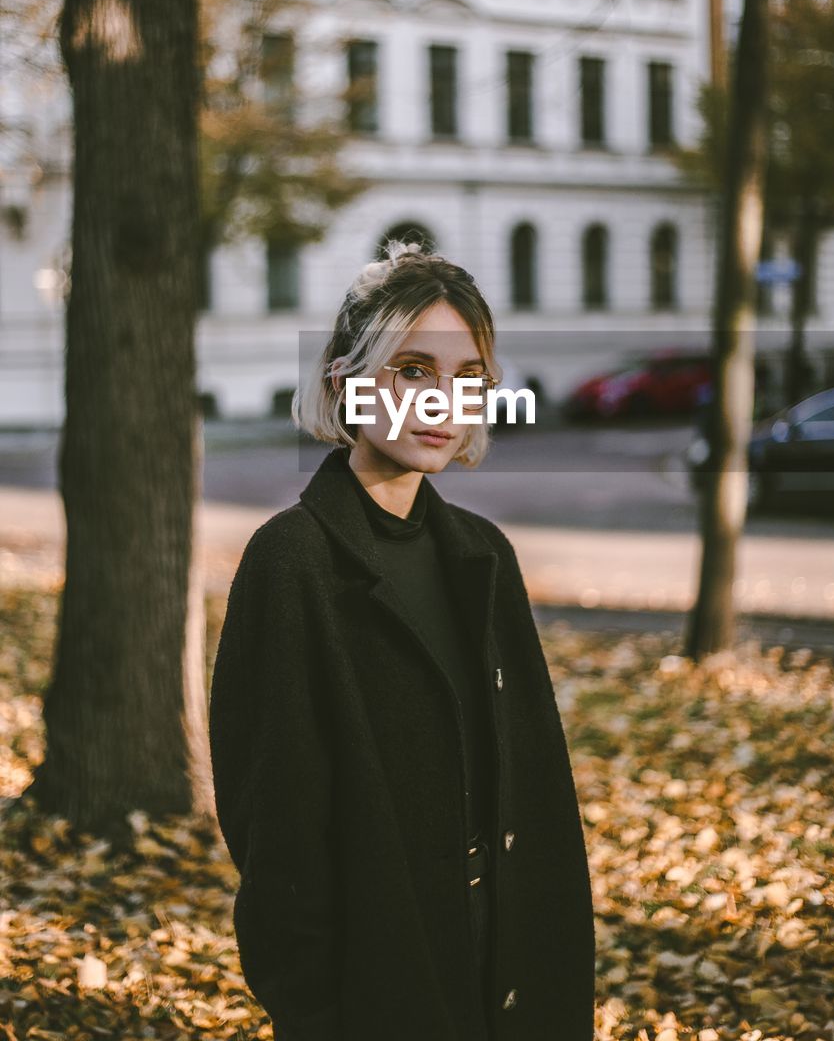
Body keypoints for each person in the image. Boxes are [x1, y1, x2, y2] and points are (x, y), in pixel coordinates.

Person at [208, 241, 596, 1041]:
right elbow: (273, 834)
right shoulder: (293, 563)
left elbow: (534, 793)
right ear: (346, 381)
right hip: (381, 985)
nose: (439, 404)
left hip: (513, 973)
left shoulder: (483, 555)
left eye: (465, 379)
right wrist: (314, 1012)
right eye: (412, 369)